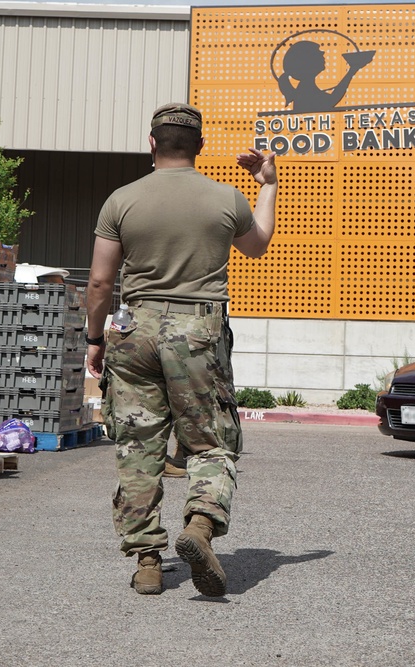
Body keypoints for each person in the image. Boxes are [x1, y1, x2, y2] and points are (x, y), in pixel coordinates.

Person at [85, 102, 277, 596]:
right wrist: (268, 185)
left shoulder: (120, 201)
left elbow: (102, 280)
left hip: (134, 329)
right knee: (209, 442)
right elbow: (257, 246)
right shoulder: (226, 199)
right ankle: (200, 526)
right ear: (200, 147)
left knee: (138, 447)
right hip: (197, 332)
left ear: (151, 143)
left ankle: (148, 561)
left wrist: (93, 338)